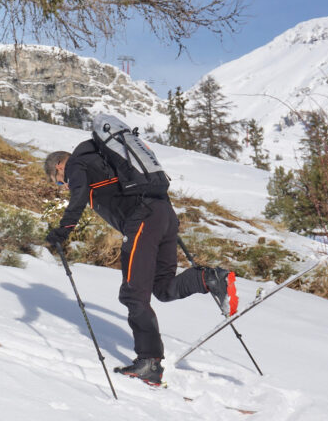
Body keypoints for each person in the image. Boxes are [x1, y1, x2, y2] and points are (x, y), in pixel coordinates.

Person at [44, 142, 237, 386]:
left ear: (60, 165)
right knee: (163, 288)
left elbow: (79, 195)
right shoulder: (100, 160)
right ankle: (210, 279)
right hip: (163, 215)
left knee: (134, 295)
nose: (64, 186)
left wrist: (64, 229)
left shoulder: (77, 162)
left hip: (143, 220)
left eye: (59, 181)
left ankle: (149, 362)